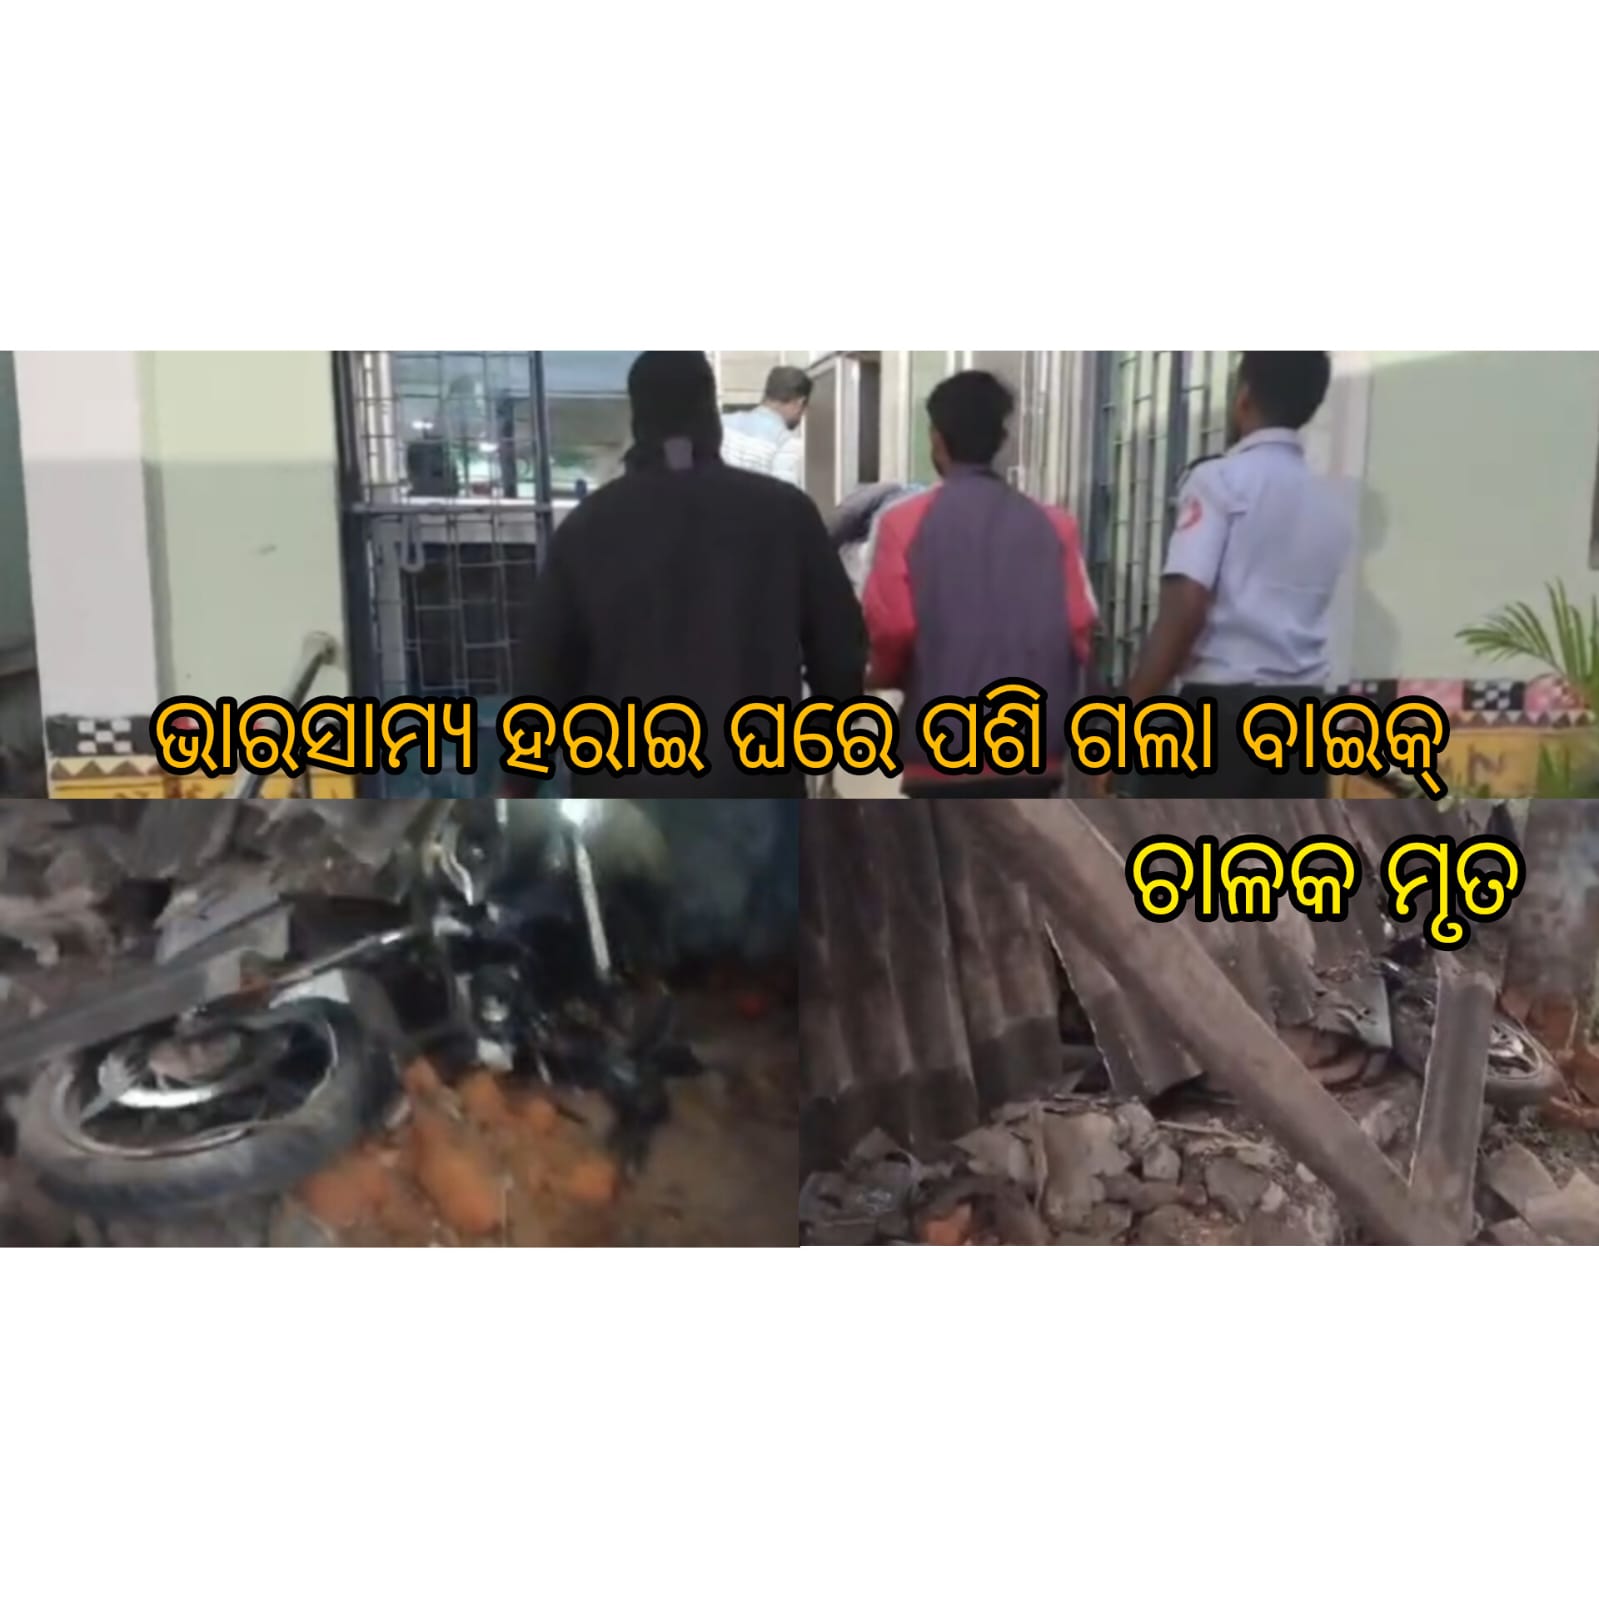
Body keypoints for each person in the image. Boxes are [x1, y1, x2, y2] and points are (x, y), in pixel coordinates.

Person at [513, 351, 865, 799]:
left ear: (638, 421)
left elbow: (544, 669)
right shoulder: (786, 514)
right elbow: (839, 645)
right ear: (711, 418)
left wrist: (518, 783)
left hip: (624, 786)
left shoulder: (587, 527)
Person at [1123, 352, 1354, 799]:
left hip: (1224, 711)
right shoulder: (1331, 501)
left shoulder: (1219, 480)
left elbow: (1186, 603)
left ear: (1243, 396)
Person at [862, 370, 1098, 798]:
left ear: (936, 439)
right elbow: (1080, 628)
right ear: (1001, 438)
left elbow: (893, 629)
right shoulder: (1055, 525)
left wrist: (881, 677)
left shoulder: (903, 523)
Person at [719, 365, 811, 486]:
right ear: (800, 402)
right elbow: (782, 495)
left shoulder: (723, 424)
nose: (803, 414)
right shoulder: (786, 443)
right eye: (805, 408)